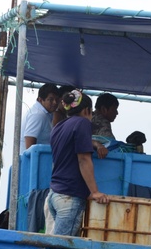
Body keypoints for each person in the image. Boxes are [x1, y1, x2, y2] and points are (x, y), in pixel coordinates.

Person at [45, 90, 109, 236]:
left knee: (58, 243)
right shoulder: (83, 123)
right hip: (70, 196)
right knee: (61, 247)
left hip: (55, 194)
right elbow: (83, 159)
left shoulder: (58, 127)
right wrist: (95, 192)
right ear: (87, 110)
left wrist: (95, 143)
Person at [21, 83, 61, 149]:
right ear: (40, 100)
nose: (55, 103)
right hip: (33, 158)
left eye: (57, 100)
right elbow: (29, 145)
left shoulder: (46, 113)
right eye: (50, 99)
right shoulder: (38, 115)